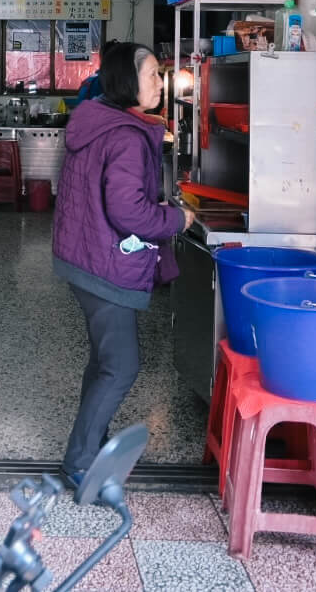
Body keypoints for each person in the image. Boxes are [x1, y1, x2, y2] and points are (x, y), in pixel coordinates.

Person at [52, 43, 193, 484]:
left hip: (83, 253)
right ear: (126, 80)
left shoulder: (95, 121)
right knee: (121, 366)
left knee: (104, 361)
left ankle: (90, 447)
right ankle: (79, 463)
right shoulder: (127, 136)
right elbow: (129, 213)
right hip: (104, 260)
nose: (160, 81)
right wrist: (176, 218)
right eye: (152, 73)